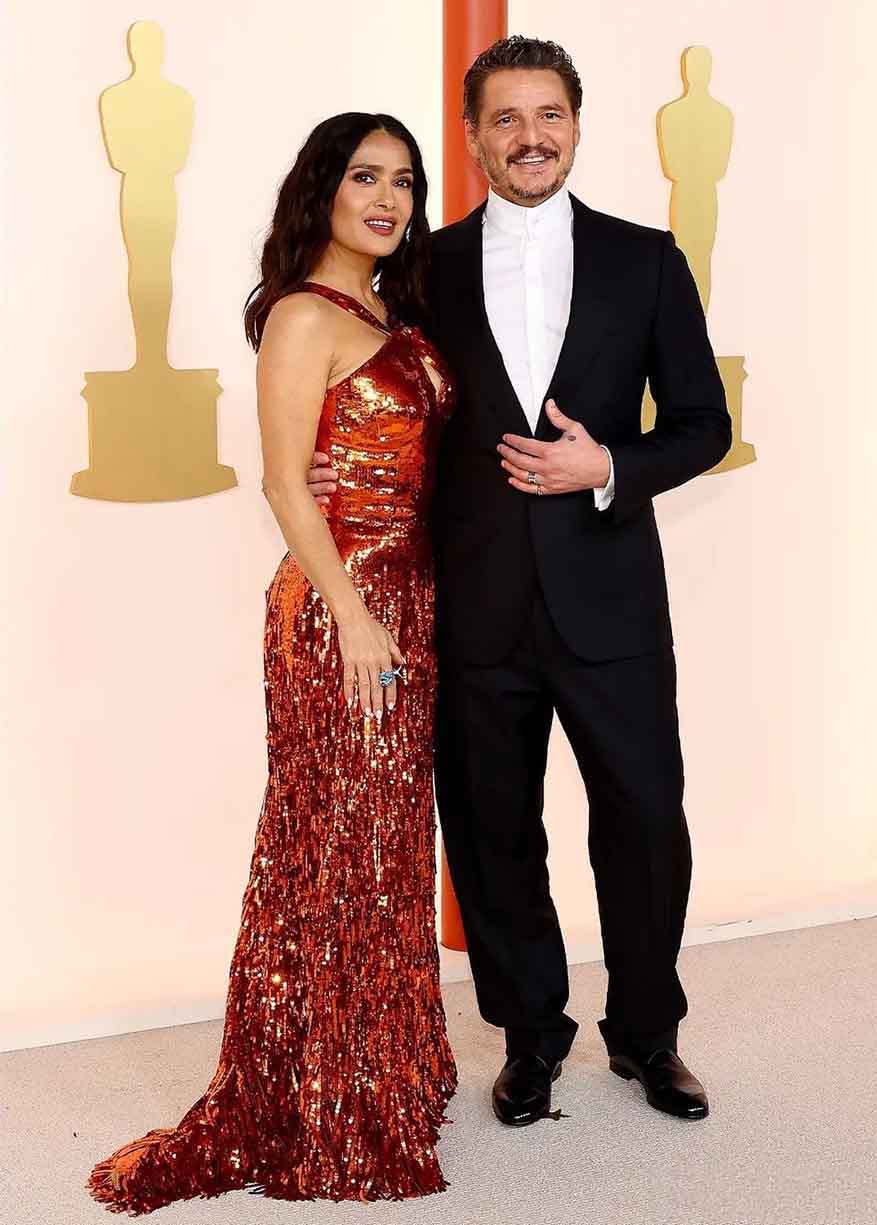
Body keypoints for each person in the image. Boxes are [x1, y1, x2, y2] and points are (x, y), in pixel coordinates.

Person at [308, 36, 732, 1129]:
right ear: (475, 138)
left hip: (613, 605)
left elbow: (704, 425)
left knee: (644, 821)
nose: (529, 135)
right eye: (506, 118)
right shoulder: (424, 269)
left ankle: (647, 1035)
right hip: (475, 601)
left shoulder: (648, 259)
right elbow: (372, 392)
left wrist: (611, 466)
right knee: (493, 829)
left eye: (548, 114)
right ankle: (530, 1036)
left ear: (577, 126)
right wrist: (327, 455)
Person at [86, 112, 457, 1213]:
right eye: (363, 178)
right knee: (334, 848)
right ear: (322, 193)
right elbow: (287, 484)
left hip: (410, 603)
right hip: (345, 610)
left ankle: (374, 1074)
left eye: (403, 179)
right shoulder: (303, 315)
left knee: (385, 847)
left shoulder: (388, 308)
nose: (386, 198)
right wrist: (351, 615)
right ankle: (319, 1097)